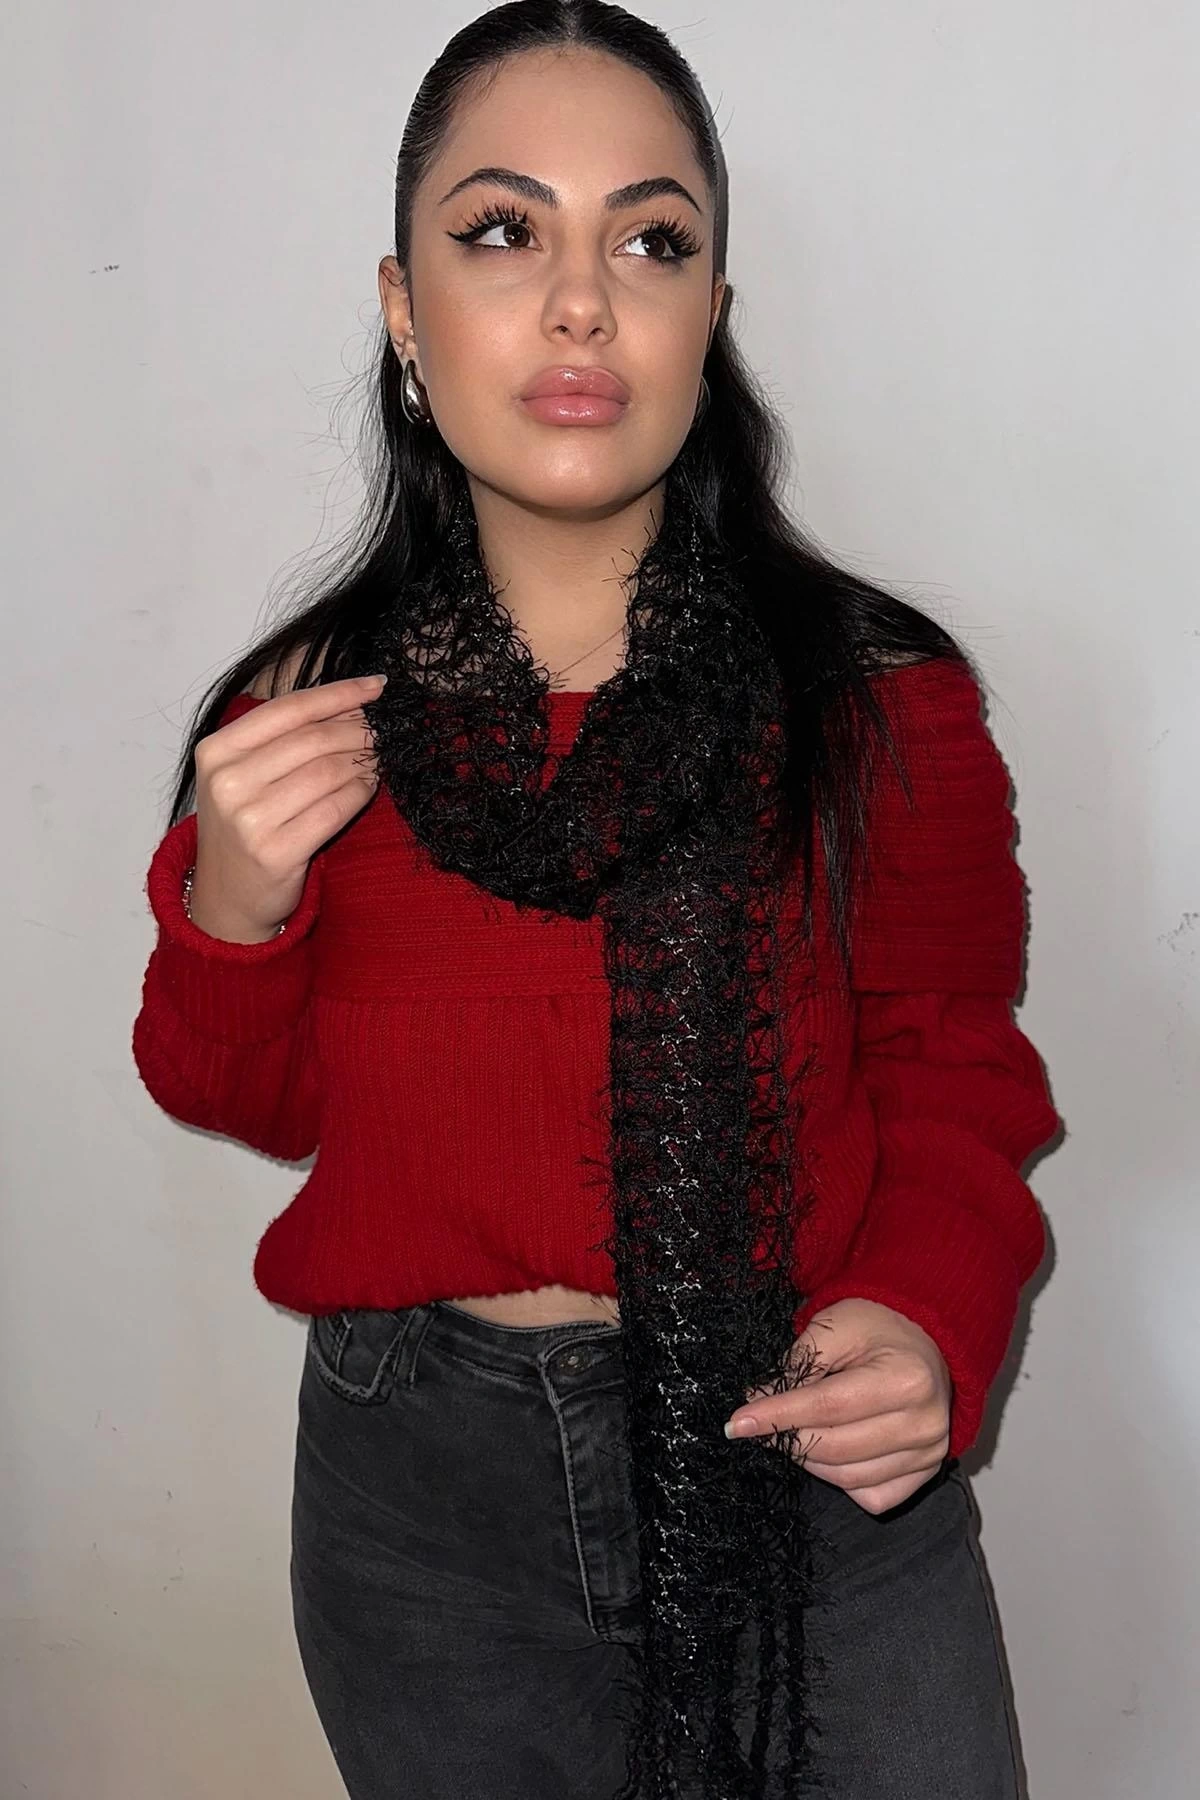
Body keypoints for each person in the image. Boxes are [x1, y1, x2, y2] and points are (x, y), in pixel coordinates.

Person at [131, 4, 1062, 1797]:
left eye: (651, 242)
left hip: (812, 1469)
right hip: (426, 1524)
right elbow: (243, 1097)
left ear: (712, 308)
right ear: (405, 308)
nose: (580, 304)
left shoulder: (878, 701)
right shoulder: (308, 722)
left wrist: (924, 1311)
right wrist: (233, 908)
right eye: (502, 232)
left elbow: (953, 1064)